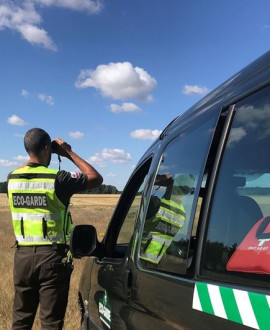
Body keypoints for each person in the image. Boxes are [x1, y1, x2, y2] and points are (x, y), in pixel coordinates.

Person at [7, 128, 103, 330]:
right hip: (51, 258)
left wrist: (35, 152)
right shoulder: (56, 179)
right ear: (46, 148)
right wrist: (67, 152)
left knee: (20, 320)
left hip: (22, 257)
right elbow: (95, 177)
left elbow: (25, 167)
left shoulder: (12, 179)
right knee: (51, 323)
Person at [140, 173, 195, 265]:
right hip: (156, 263)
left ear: (173, 185)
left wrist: (159, 178)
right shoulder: (182, 215)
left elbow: (139, 193)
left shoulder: (156, 204)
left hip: (138, 259)